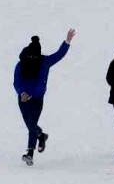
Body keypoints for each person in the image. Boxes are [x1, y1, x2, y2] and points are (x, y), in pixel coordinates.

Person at [13, 28, 76, 165]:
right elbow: (17, 81)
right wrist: (22, 93)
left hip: (36, 99)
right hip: (23, 99)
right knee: (30, 124)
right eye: (30, 56)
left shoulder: (44, 62)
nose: (32, 59)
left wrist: (67, 41)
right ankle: (41, 135)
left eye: (34, 57)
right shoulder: (20, 64)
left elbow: (59, 54)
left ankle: (30, 153)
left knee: (31, 125)